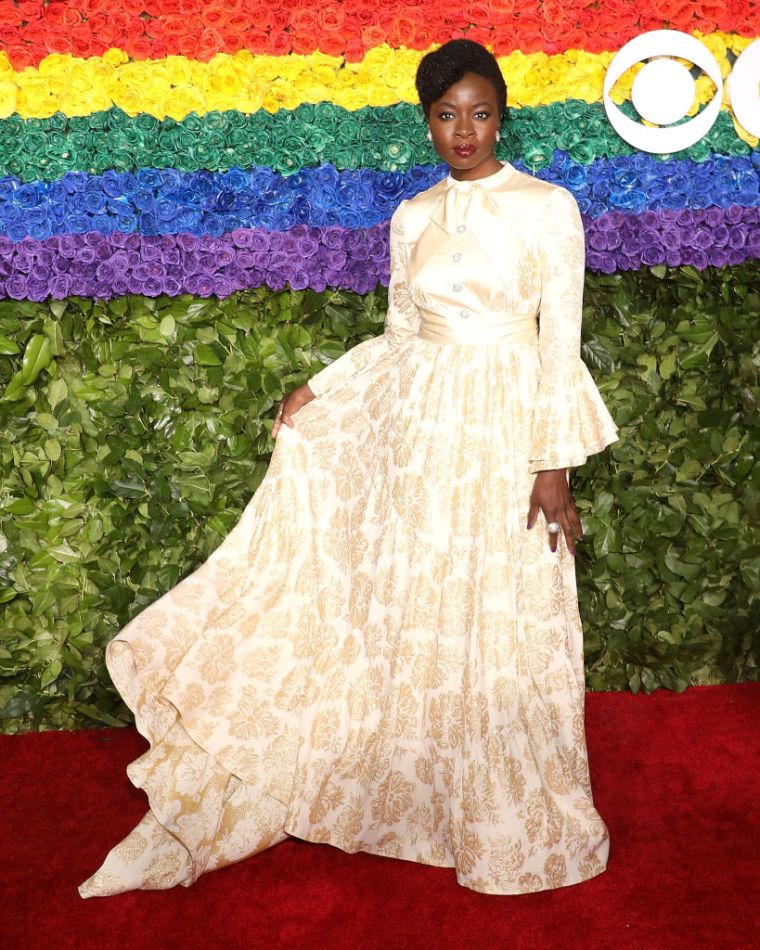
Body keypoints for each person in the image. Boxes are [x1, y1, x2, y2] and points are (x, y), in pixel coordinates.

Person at [79, 38, 618, 899]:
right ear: (427, 123)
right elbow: (402, 336)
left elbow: (560, 343)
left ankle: (506, 806)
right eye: (447, 116)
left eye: (480, 113)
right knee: (421, 601)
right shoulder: (411, 217)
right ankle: (420, 793)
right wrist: (320, 387)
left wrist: (551, 463)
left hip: (509, 427)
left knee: (505, 598)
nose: (464, 131)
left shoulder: (549, 207)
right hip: (424, 435)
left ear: (502, 116)